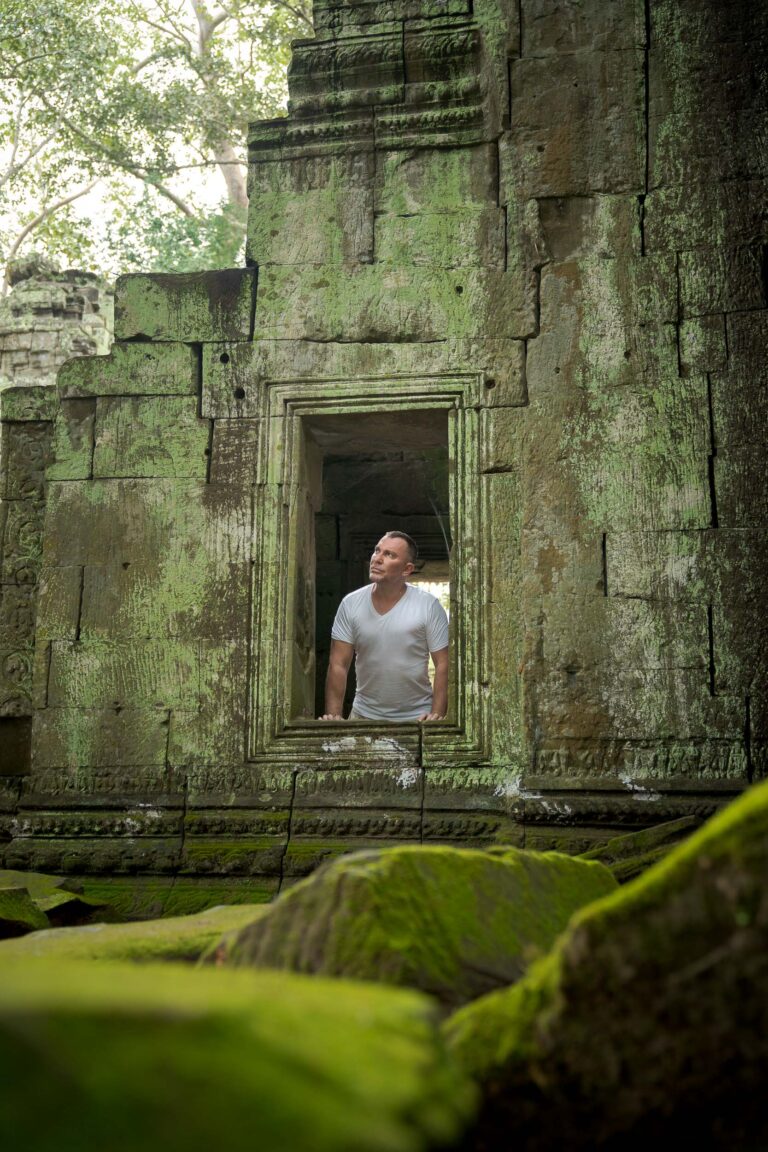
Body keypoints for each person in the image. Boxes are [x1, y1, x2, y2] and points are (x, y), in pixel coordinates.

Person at [320, 531, 449, 722]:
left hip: (417, 716)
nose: (377, 559)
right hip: (362, 714)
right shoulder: (351, 604)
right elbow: (338, 664)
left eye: (389, 555)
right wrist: (334, 717)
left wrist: (437, 715)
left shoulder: (428, 605)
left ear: (407, 569)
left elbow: (443, 664)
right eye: (377, 551)